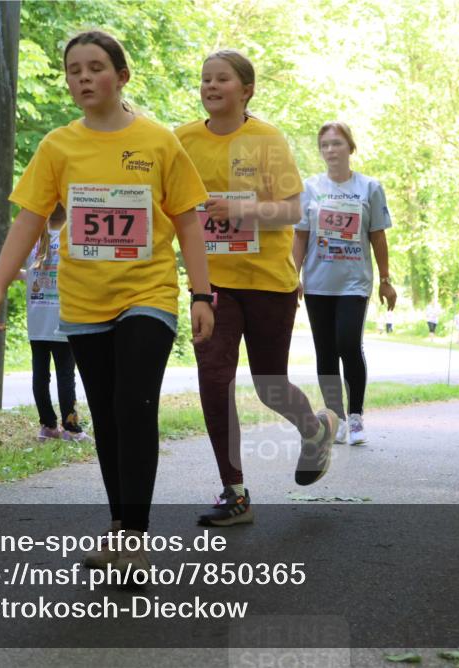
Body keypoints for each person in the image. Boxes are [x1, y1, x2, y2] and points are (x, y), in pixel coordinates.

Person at [0, 31, 214, 573]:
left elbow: (187, 221)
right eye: (74, 70)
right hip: (84, 301)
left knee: (134, 403)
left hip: (148, 293)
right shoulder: (58, 146)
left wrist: (202, 293)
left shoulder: (158, 142)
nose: (83, 77)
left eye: (95, 67)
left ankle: (134, 538)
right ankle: (119, 525)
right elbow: (30, 219)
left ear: (122, 76)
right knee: (107, 416)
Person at [175, 50, 339, 527]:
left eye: (221, 79)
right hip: (212, 284)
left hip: (268, 281)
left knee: (269, 385)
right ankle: (234, 492)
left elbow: (292, 210)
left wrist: (241, 210)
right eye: (205, 79)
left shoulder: (267, 139)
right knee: (214, 378)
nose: (210, 86)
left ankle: (316, 430)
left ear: (246, 90)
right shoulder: (182, 140)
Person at [292, 121, 395, 447]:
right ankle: (335, 417)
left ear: (350, 147)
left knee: (348, 344)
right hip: (318, 282)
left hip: (354, 282)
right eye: (324, 145)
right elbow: (300, 235)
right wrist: (293, 275)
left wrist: (386, 280)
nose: (330, 150)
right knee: (325, 351)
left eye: (336, 143)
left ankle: (356, 416)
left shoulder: (369, 187)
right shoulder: (310, 188)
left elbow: (378, 236)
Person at [21, 204, 88, 442]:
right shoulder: (71, 238)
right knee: (65, 375)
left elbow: (26, 273)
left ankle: (47, 426)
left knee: (40, 375)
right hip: (62, 318)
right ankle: (71, 429)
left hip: (37, 320)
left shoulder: (34, 238)